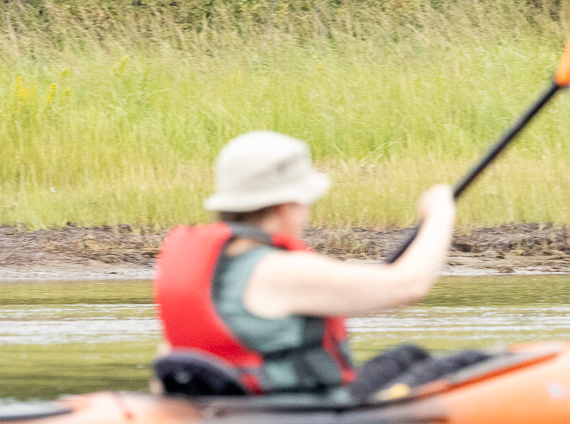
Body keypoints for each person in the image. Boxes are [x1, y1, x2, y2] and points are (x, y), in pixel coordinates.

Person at [152, 130, 484, 400]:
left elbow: (166, 369)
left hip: (236, 410)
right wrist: (440, 213)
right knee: (470, 362)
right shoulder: (280, 270)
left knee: (407, 357)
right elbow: (409, 284)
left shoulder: (201, 270)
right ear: (286, 207)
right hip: (299, 418)